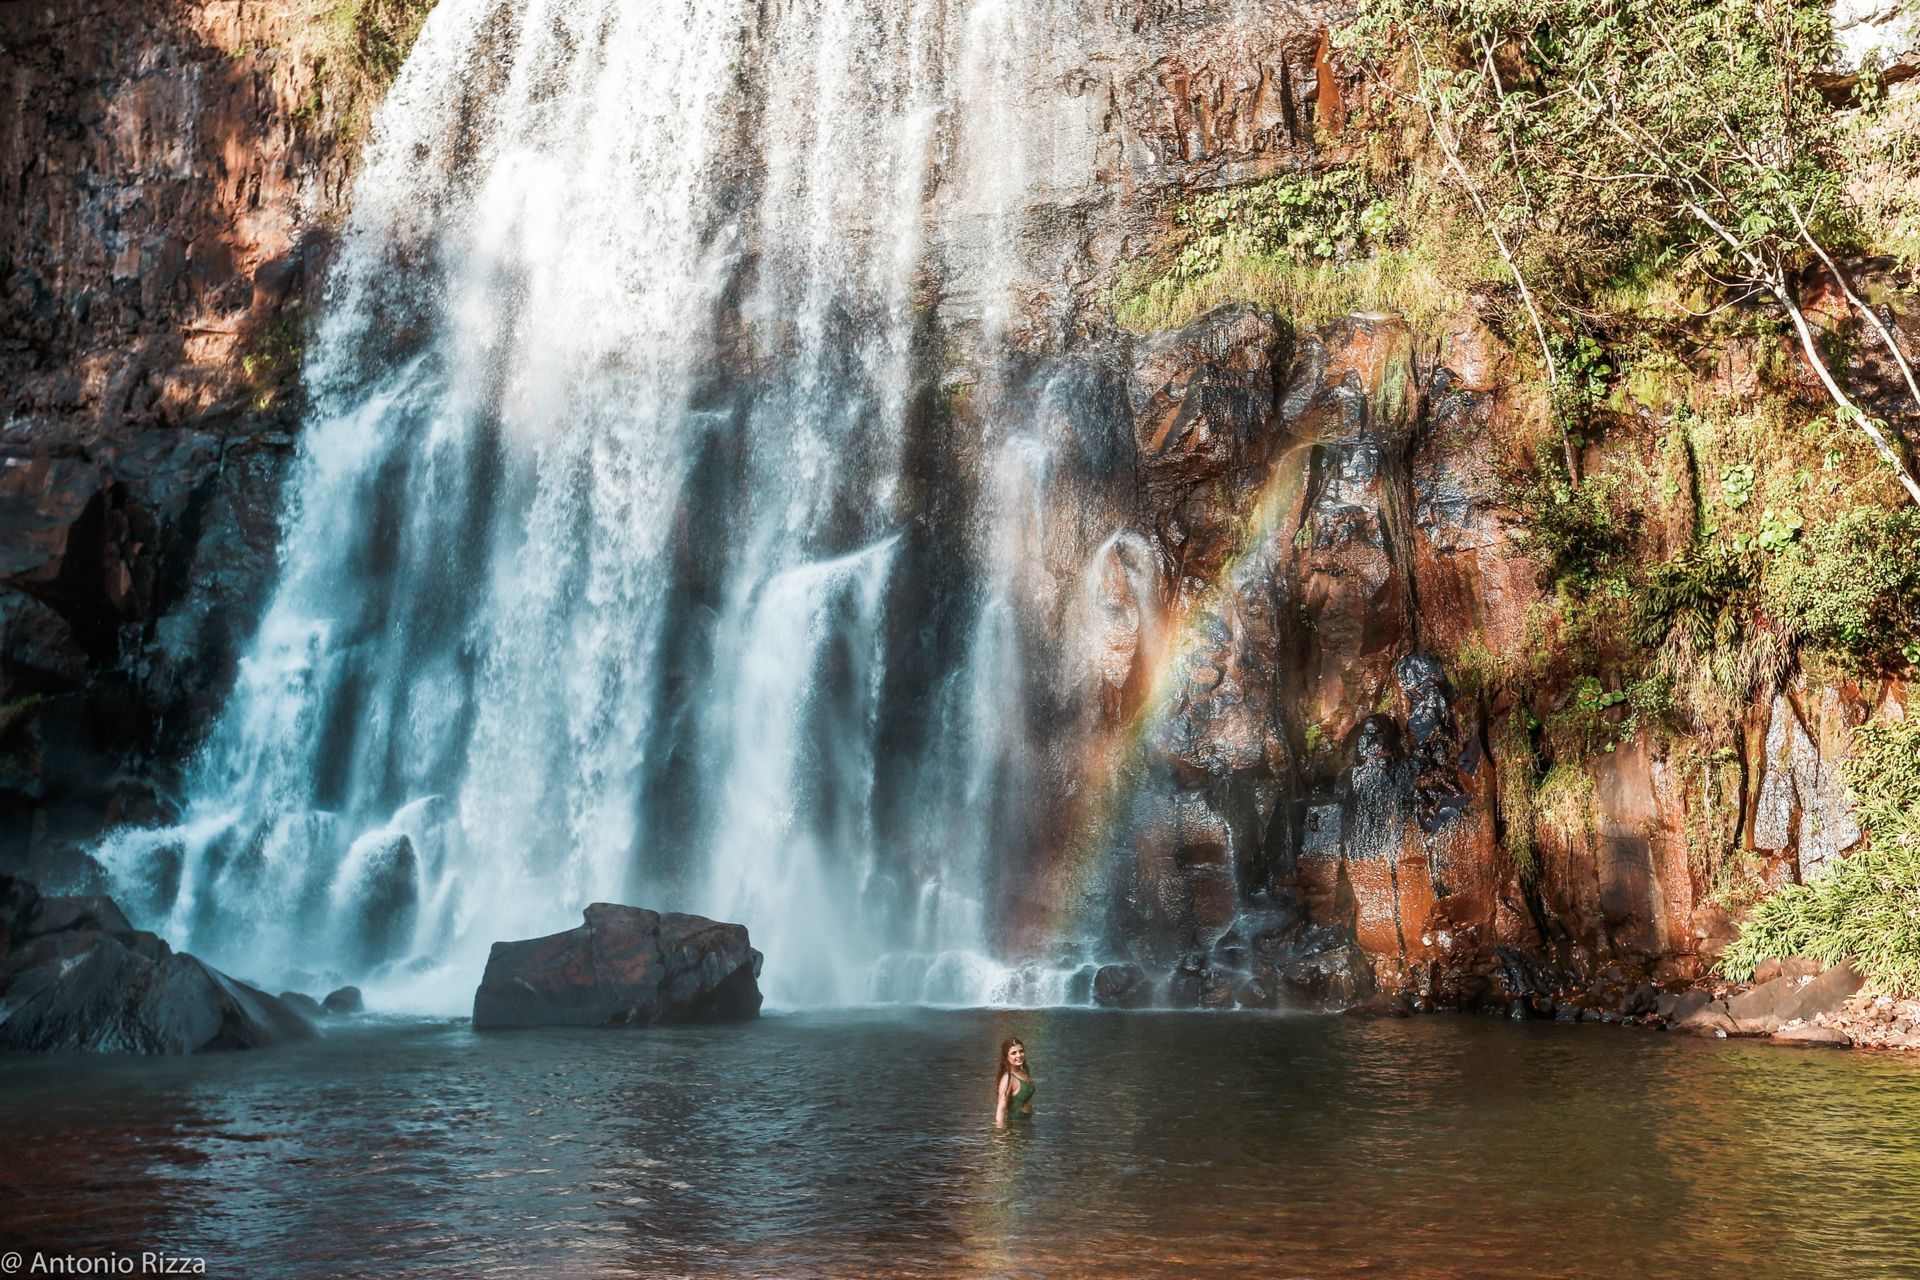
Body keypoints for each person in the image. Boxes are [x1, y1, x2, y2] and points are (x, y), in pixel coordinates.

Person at [993, 1036, 1035, 1126]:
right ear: (1006, 1057)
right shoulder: (1008, 1079)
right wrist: (1001, 1132)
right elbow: (1001, 1109)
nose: (1019, 1055)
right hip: (1016, 1126)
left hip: (1027, 1122)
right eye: (1013, 1053)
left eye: (1021, 1051)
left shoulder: (1023, 1071)